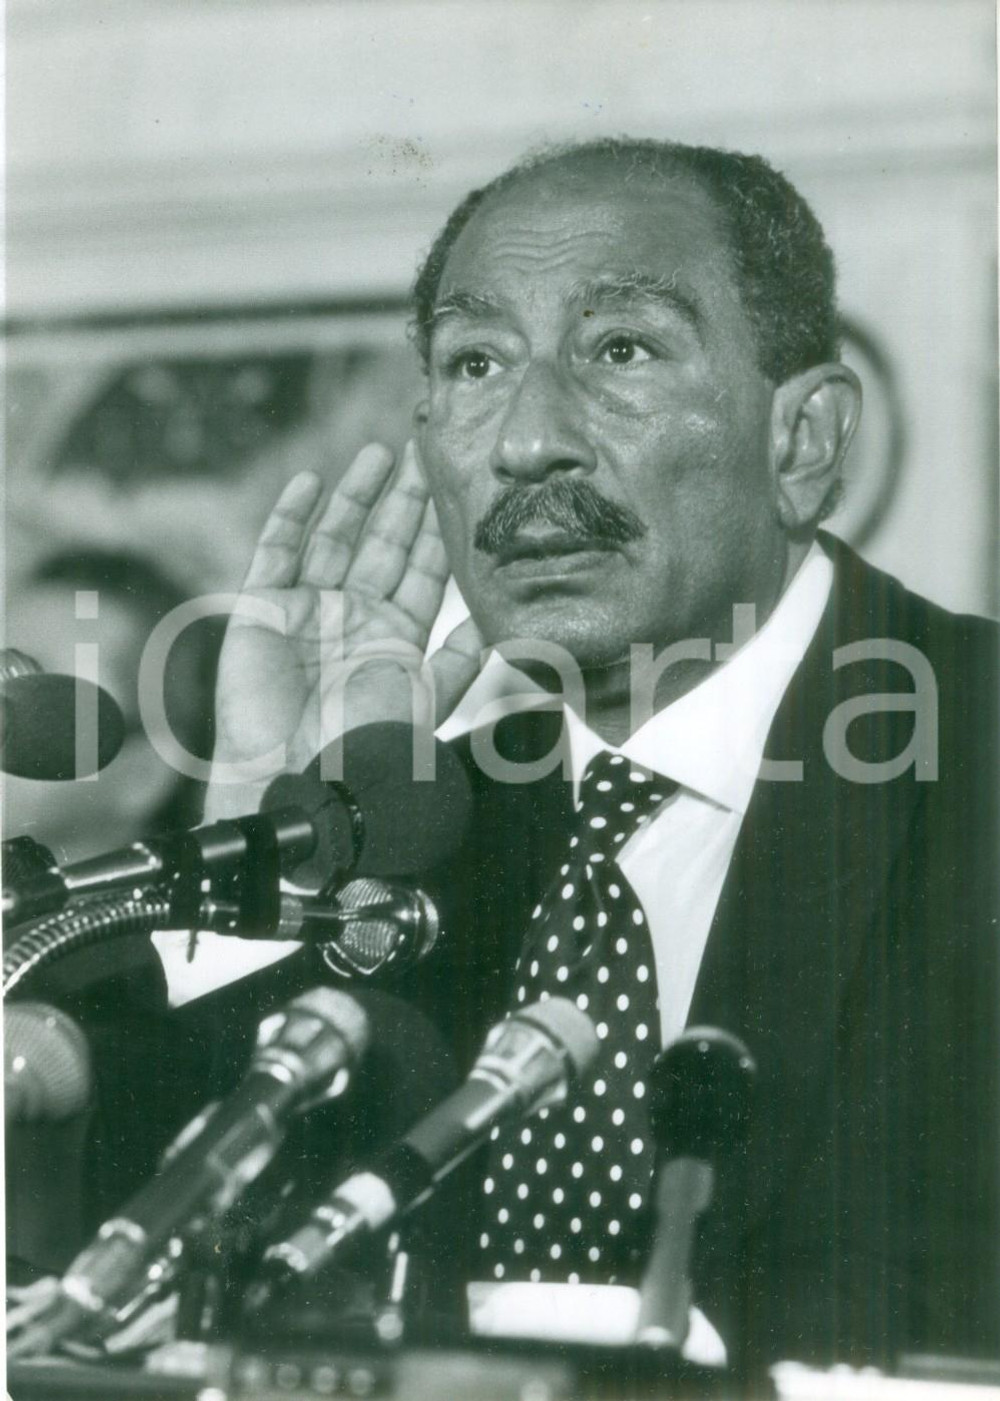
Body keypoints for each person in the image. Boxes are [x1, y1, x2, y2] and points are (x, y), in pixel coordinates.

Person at [172, 139, 1000, 1369]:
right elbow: (163, 1289)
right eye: (475, 364)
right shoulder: (414, 819)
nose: (525, 442)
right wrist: (265, 842)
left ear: (803, 440)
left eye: (620, 350)